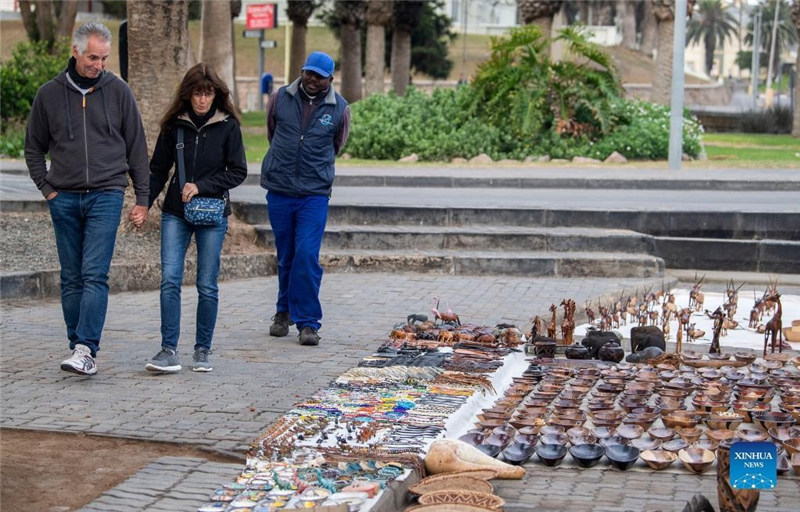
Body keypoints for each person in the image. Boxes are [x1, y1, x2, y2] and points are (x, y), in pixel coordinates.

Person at [25, 22, 149, 376]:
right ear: (75, 51)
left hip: (107, 194)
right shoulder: (49, 94)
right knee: (71, 276)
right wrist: (46, 188)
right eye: (93, 57)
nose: (99, 65)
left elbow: (137, 148)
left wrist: (142, 198)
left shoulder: (118, 92)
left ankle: (86, 348)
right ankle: (76, 344)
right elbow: (33, 148)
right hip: (63, 197)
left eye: (104, 58)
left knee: (94, 273)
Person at [145, 63, 247, 373]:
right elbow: (158, 169)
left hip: (213, 213)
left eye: (208, 93)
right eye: (197, 94)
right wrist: (143, 203)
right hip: (176, 213)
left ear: (216, 94)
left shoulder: (228, 126)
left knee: (207, 284)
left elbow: (238, 171)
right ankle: (168, 349)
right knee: (170, 280)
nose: (202, 100)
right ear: (187, 95)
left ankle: (202, 349)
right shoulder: (174, 126)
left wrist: (202, 186)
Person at [260, 51, 350, 346]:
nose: (312, 80)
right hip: (281, 189)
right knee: (286, 256)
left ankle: (308, 323)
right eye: (308, 73)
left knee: (307, 256)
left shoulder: (339, 108)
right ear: (302, 71)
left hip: (314, 194)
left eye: (319, 76)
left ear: (330, 79)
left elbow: (337, 143)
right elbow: (273, 134)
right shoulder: (280, 98)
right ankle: (282, 311)